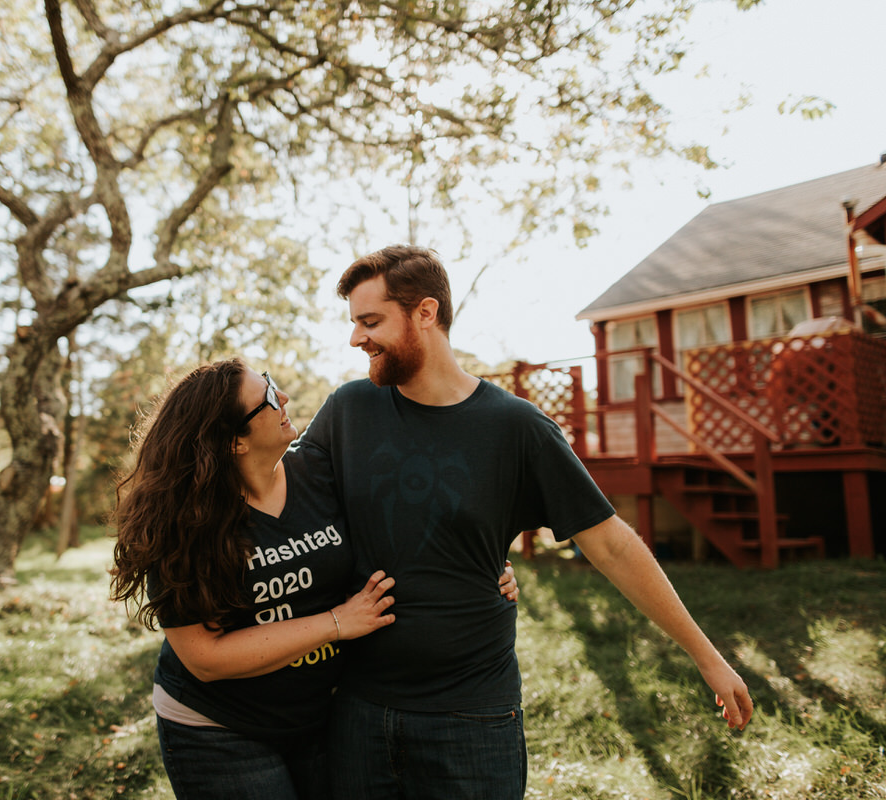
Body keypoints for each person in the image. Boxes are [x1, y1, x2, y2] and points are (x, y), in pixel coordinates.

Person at [295, 244, 754, 800]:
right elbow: (279, 502)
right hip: (358, 711)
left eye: (371, 322)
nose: (356, 339)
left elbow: (610, 546)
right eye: (355, 323)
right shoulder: (348, 411)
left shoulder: (516, 427)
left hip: (471, 721)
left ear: (425, 313)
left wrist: (707, 658)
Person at [110, 358, 520, 799]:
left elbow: (403, 521)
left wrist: (479, 569)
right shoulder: (183, 523)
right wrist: (338, 622)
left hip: (319, 715)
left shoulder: (320, 473)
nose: (282, 397)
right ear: (234, 442)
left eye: (269, 382)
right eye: (266, 398)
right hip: (219, 728)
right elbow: (204, 658)